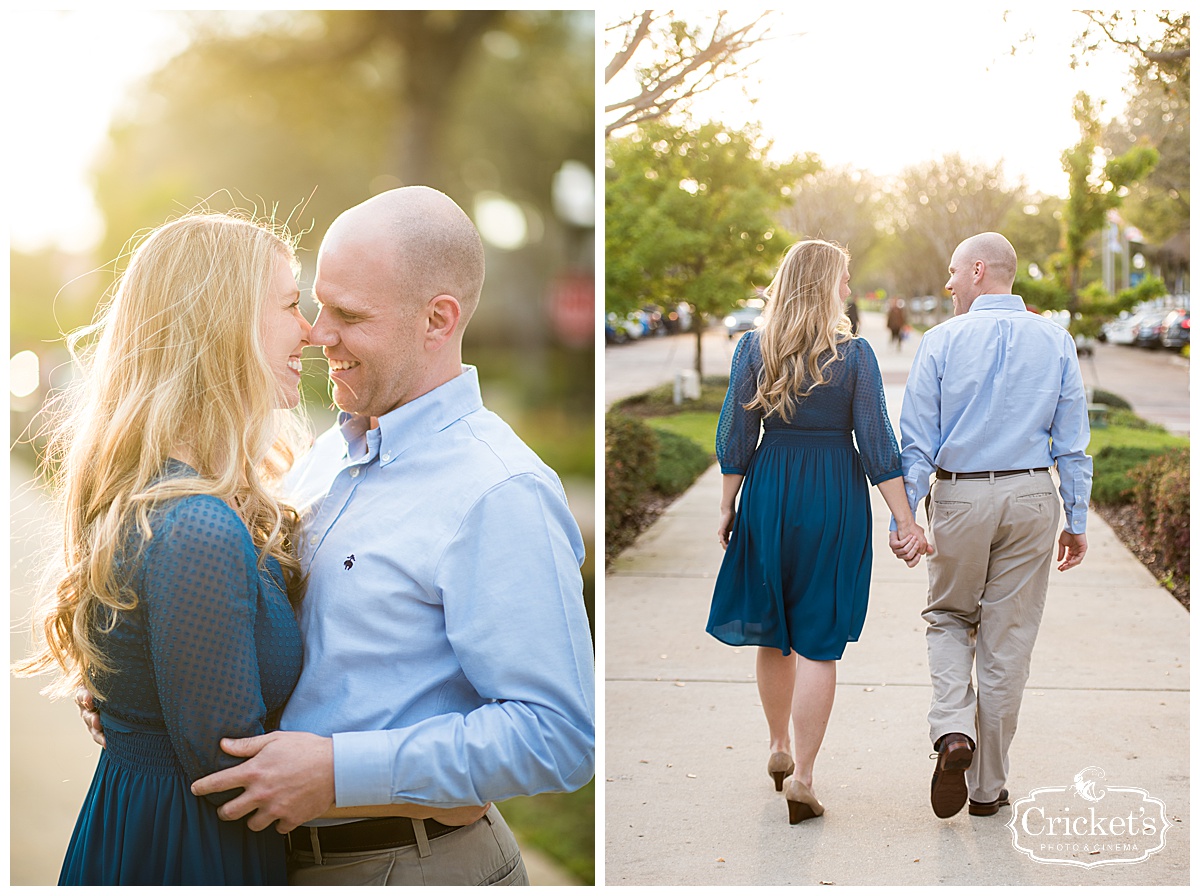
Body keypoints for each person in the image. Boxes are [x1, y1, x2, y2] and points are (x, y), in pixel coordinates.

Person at [181, 186, 596, 885]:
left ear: (437, 320)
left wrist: (341, 773)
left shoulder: (499, 491)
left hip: (414, 867)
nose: (316, 333)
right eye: (317, 305)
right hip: (281, 863)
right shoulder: (324, 457)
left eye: (348, 315)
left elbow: (558, 734)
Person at [14, 213, 311, 884]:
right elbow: (235, 774)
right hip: (192, 853)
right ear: (224, 324)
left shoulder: (168, 498)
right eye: (292, 304)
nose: (310, 330)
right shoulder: (195, 527)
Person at [706, 239, 929, 825]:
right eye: (845, 278)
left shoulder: (754, 349)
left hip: (771, 490)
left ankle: (777, 744)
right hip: (833, 495)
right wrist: (905, 521)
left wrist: (729, 504)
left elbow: (735, 434)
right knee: (817, 643)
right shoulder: (853, 356)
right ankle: (803, 775)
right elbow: (878, 445)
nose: (849, 289)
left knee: (772, 632)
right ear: (825, 283)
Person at [891, 231, 1091, 820]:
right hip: (1033, 496)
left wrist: (908, 519)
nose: (948, 283)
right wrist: (1075, 519)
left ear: (979, 270)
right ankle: (986, 789)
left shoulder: (940, 342)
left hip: (961, 497)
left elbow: (916, 444)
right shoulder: (1057, 341)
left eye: (953, 271)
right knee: (1008, 643)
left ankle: (953, 731)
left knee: (949, 617)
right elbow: (1073, 444)